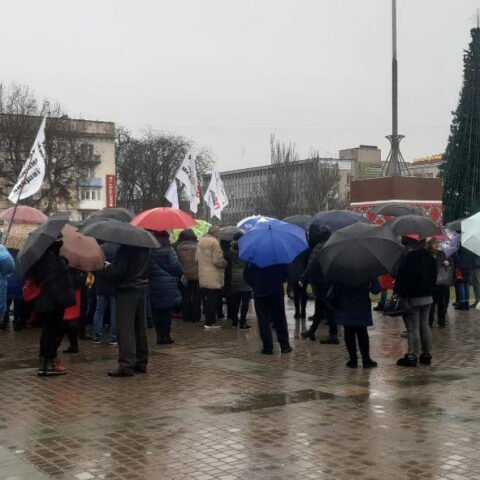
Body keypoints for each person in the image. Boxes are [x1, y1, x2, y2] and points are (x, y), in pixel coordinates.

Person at [29, 240, 76, 376]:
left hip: (46, 301)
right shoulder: (51, 259)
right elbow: (55, 282)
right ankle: (49, 363)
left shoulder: (42, 258)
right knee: (52, 333)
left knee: (48, 332)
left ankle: (44, 363)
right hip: (53, 302)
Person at [106, 245, 150, 377]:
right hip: (141, 288)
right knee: (140, 327)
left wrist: (107, 267)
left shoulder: (126, 248)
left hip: (127, 290)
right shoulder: (146, 247)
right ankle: (141, 361)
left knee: (125, 328)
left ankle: (126, 364)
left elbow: (118, 271)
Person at [394, 239, 437, 367]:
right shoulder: (430, 259)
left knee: (412, 328)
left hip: (412, 298)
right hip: (428, 296)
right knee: (425, 325)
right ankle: (426, 354)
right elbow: (434, 278)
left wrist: (400, 293)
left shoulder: (408, 259)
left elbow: (402, 279)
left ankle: (412, 355)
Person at [300, 225, 339, 344]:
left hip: (320, 281)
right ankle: (313, 330)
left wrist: (303, 277)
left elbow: (312, 264)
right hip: (329, 280)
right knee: (321, 306)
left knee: (326, 306)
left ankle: (333, 334)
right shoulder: (333, 246)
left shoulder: (318, 247)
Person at [244, 262, 292, 355]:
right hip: (276, 291)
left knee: (263, 320)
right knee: (280, 319)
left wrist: (255, 285)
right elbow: (286, 274)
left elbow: (246, 275)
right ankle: (285, 345)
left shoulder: (253, 260)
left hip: (260, 292)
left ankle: (268, 347)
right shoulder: (279, 259)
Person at [332, 280, 380, 368]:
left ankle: (353, 360)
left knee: (348, 332)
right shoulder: (368, 270)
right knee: (362, 332)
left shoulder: (341, 270)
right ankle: (366, 360)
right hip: (362, 305)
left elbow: (336, 289)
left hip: (345, 304)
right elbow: (376, 290)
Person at [149, 231, 183, 344]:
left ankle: (159, 336)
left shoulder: (149, 250)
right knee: (167, 311)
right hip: (168, 283)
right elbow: (175, 267)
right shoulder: (169, 249)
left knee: (156, 310)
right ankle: (166, 336)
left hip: (153, 283)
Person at [196, 225, 227, 329]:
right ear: (216, 233)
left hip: (203, 274)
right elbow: (217, 261)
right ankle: (211, 322)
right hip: (213, 275)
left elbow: (197, 258)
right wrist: (224, 262)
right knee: (212, 300)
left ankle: (208, 320)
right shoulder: (215, 242)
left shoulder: (201, 241)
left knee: (207, 300)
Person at [92, 242, 119, 345]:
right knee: (114, 311)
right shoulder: (118, 249)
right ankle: (113, 337)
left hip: (101, 285)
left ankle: (96, 336)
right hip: (113, 285)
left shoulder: (100, 248)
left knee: (99, 311)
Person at [176, 229, 201, 322]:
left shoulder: (179, 247)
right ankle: (196, 316)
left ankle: (186, 316)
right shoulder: (198, 247)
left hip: (184, 276)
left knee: (185, 296)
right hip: (197, 275)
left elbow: (177, 261)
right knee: (196, 297)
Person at [427, 238, 453, 328]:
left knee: (441, 302)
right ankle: (429, 322)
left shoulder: (442, 253)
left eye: (437, 243)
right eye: (434, 243)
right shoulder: (426, 254)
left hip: (441, 282)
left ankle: (441, 322)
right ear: (429, 244)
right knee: (431, 303)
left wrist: (447, 263)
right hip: (431, 282)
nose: (436, 245)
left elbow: (450, 263)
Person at [60, 269, 87, 354]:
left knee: (69, 318)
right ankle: (73, 344)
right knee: (71, 318)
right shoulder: (80, 267)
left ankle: (73, 344)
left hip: (71, 292)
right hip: (75, 292)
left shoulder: (70, 268)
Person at [229, 232, 252, 329]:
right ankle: (242, 322)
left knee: (235, 302)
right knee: (245, 302)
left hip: (234, 277)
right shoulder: (246, 249)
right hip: (245, 277)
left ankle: (234, 322)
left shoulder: (230, 249)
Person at [2, 249, 26, 331]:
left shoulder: (5, 256)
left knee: (6, 304)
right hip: (19, 284)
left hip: (8, 283)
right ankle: (17, 324)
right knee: (18, 306)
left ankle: (3, 322)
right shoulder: (24, 257)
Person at [288, 249, 309, 319]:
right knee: (303, 292)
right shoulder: (306, 248)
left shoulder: (291, 249)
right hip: (303, 272)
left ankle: (297, 312)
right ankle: (303, 312)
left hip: (295, 272)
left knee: (296, 293)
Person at [454, 246, 475, 311]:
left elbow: (456, 257)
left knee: (461, 284)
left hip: (461, 267)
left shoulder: (459, 246)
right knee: (466, 285)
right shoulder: (469, 245)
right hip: (469, 267)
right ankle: (466, 304)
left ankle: (462, 305)